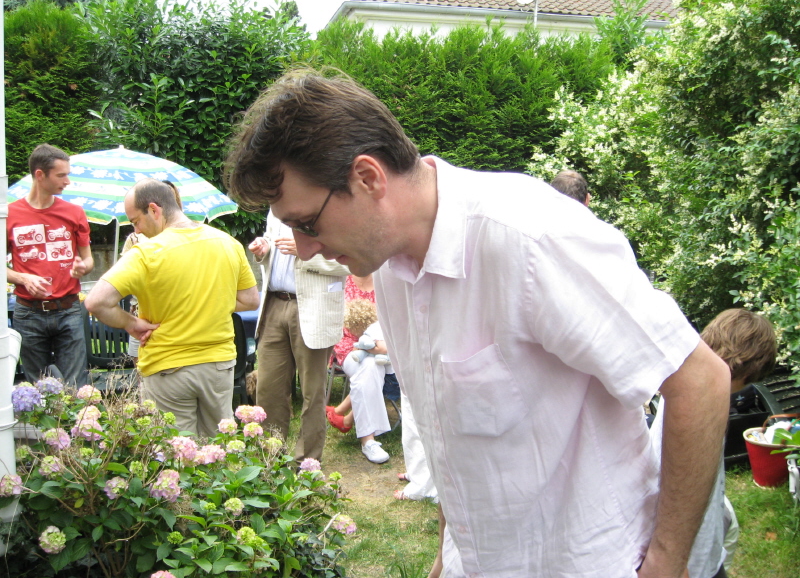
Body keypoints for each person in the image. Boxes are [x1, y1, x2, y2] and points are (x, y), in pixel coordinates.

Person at [224, 69, 731, 578]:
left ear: (367, 178)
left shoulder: (532, 236)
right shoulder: (391, 266)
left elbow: (700, 380)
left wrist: (666, 562)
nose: (305, 247)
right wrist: (449, 556)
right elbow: (450, 435)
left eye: (307, 223)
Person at [85, 179, 259, 436]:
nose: (137, 230)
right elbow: (250, 299)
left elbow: (96, 302)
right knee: (218, 450)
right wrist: (208, 299)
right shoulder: (227, 243)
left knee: (176, 452)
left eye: (136, 221)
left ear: (154, 210)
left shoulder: (145, 253)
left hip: (167, 368)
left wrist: (132, 324)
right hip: (218, 367)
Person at [651, 309, 777, 578]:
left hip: (704, 553)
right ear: (751, 370)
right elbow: (669, 484)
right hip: (689, 562)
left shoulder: (697, 387)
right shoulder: (699, 402)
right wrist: (674, 562)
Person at [248, 210, 348, 462]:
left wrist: (306, 252)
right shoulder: (276, 209)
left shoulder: (332, 205)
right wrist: (263, 249)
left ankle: (307, 463)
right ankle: (269, 460)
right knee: (268, 389)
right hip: (273, 304)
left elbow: (349, 261)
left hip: (313, 308)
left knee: (312, 393)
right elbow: (271, 244)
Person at [7, 143, 94, 386]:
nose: (67, 181)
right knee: (38, 390)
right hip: (28, 313)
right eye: (61, 175)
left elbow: (88, 260)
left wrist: (83, 267)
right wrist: (23, 278)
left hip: (69, 310)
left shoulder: (74, 212)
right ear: (40, 174)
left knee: (77, 387)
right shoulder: (9, 214)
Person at [120, 180, 183, 362]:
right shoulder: (135, 238)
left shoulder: (187, 237)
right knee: (141, 368)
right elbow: (123, 279)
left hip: (175, 318)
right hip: (142, 316)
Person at [327, 298, 393, 463]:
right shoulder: (345, 284)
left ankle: (348, 420)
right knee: (370, 366)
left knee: (372, 366)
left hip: (381, 342)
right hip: (349, 347)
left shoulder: (383, 285)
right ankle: (368, 440)